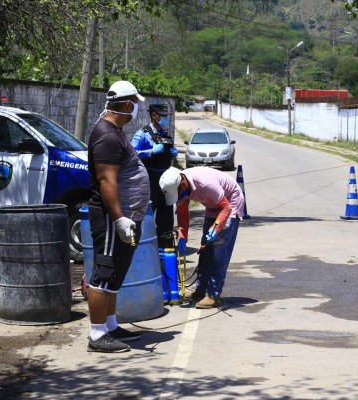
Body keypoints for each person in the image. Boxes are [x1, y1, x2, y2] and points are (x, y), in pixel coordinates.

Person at [86, 80, 150, 353]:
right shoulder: (108, 136)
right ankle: (97, 335)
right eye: (135, 103)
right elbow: (106, 181)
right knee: (105, 273)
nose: (136, 108)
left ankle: (110, 325)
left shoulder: (115, 131)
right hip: (113, 217)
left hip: (124, 215)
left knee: (115, 274)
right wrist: (120, 218)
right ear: (126, 104)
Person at [159, 166, 245, 309]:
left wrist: (216, 227)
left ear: (183, 184)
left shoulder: (206, 184)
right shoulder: (180, 186)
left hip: (230, 203)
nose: (179, 198)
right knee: (205, 251)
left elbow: (226, 207)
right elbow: (182, 213)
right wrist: (182, 236)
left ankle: (213, 294)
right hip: (213, 206)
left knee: (219, 252)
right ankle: (200, 290)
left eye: (178, 194)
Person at [130, 104, 178, 248]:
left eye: (166, 116)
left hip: (166, 180)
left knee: (167, 217)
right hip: (149, 179)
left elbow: (168, 153)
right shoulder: (142, 133)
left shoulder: (165, 134)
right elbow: (131, 154)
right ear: (154, 116)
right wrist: (150, 151)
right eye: (162, 116)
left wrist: (173, 153)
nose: (165, 119)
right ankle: (145, 248)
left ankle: (165, 248)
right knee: (148, 215)